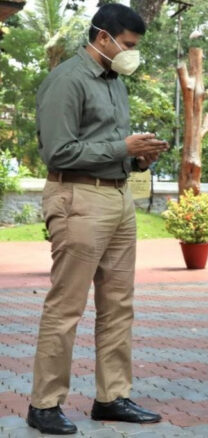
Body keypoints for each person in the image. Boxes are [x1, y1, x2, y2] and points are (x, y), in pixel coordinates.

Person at [29, 4, 169, 435]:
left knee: (118, 306)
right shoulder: (67, 80)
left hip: (117, 197)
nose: (132, 54)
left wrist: (138, 158)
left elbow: (111, 145)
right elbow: (58, 151)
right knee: (67, 306)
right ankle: (44, 404)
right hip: (77, 197)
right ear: (103, 38)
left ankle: (112, 397)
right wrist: (121, 149)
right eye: (127, 45)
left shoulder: (115, 82)